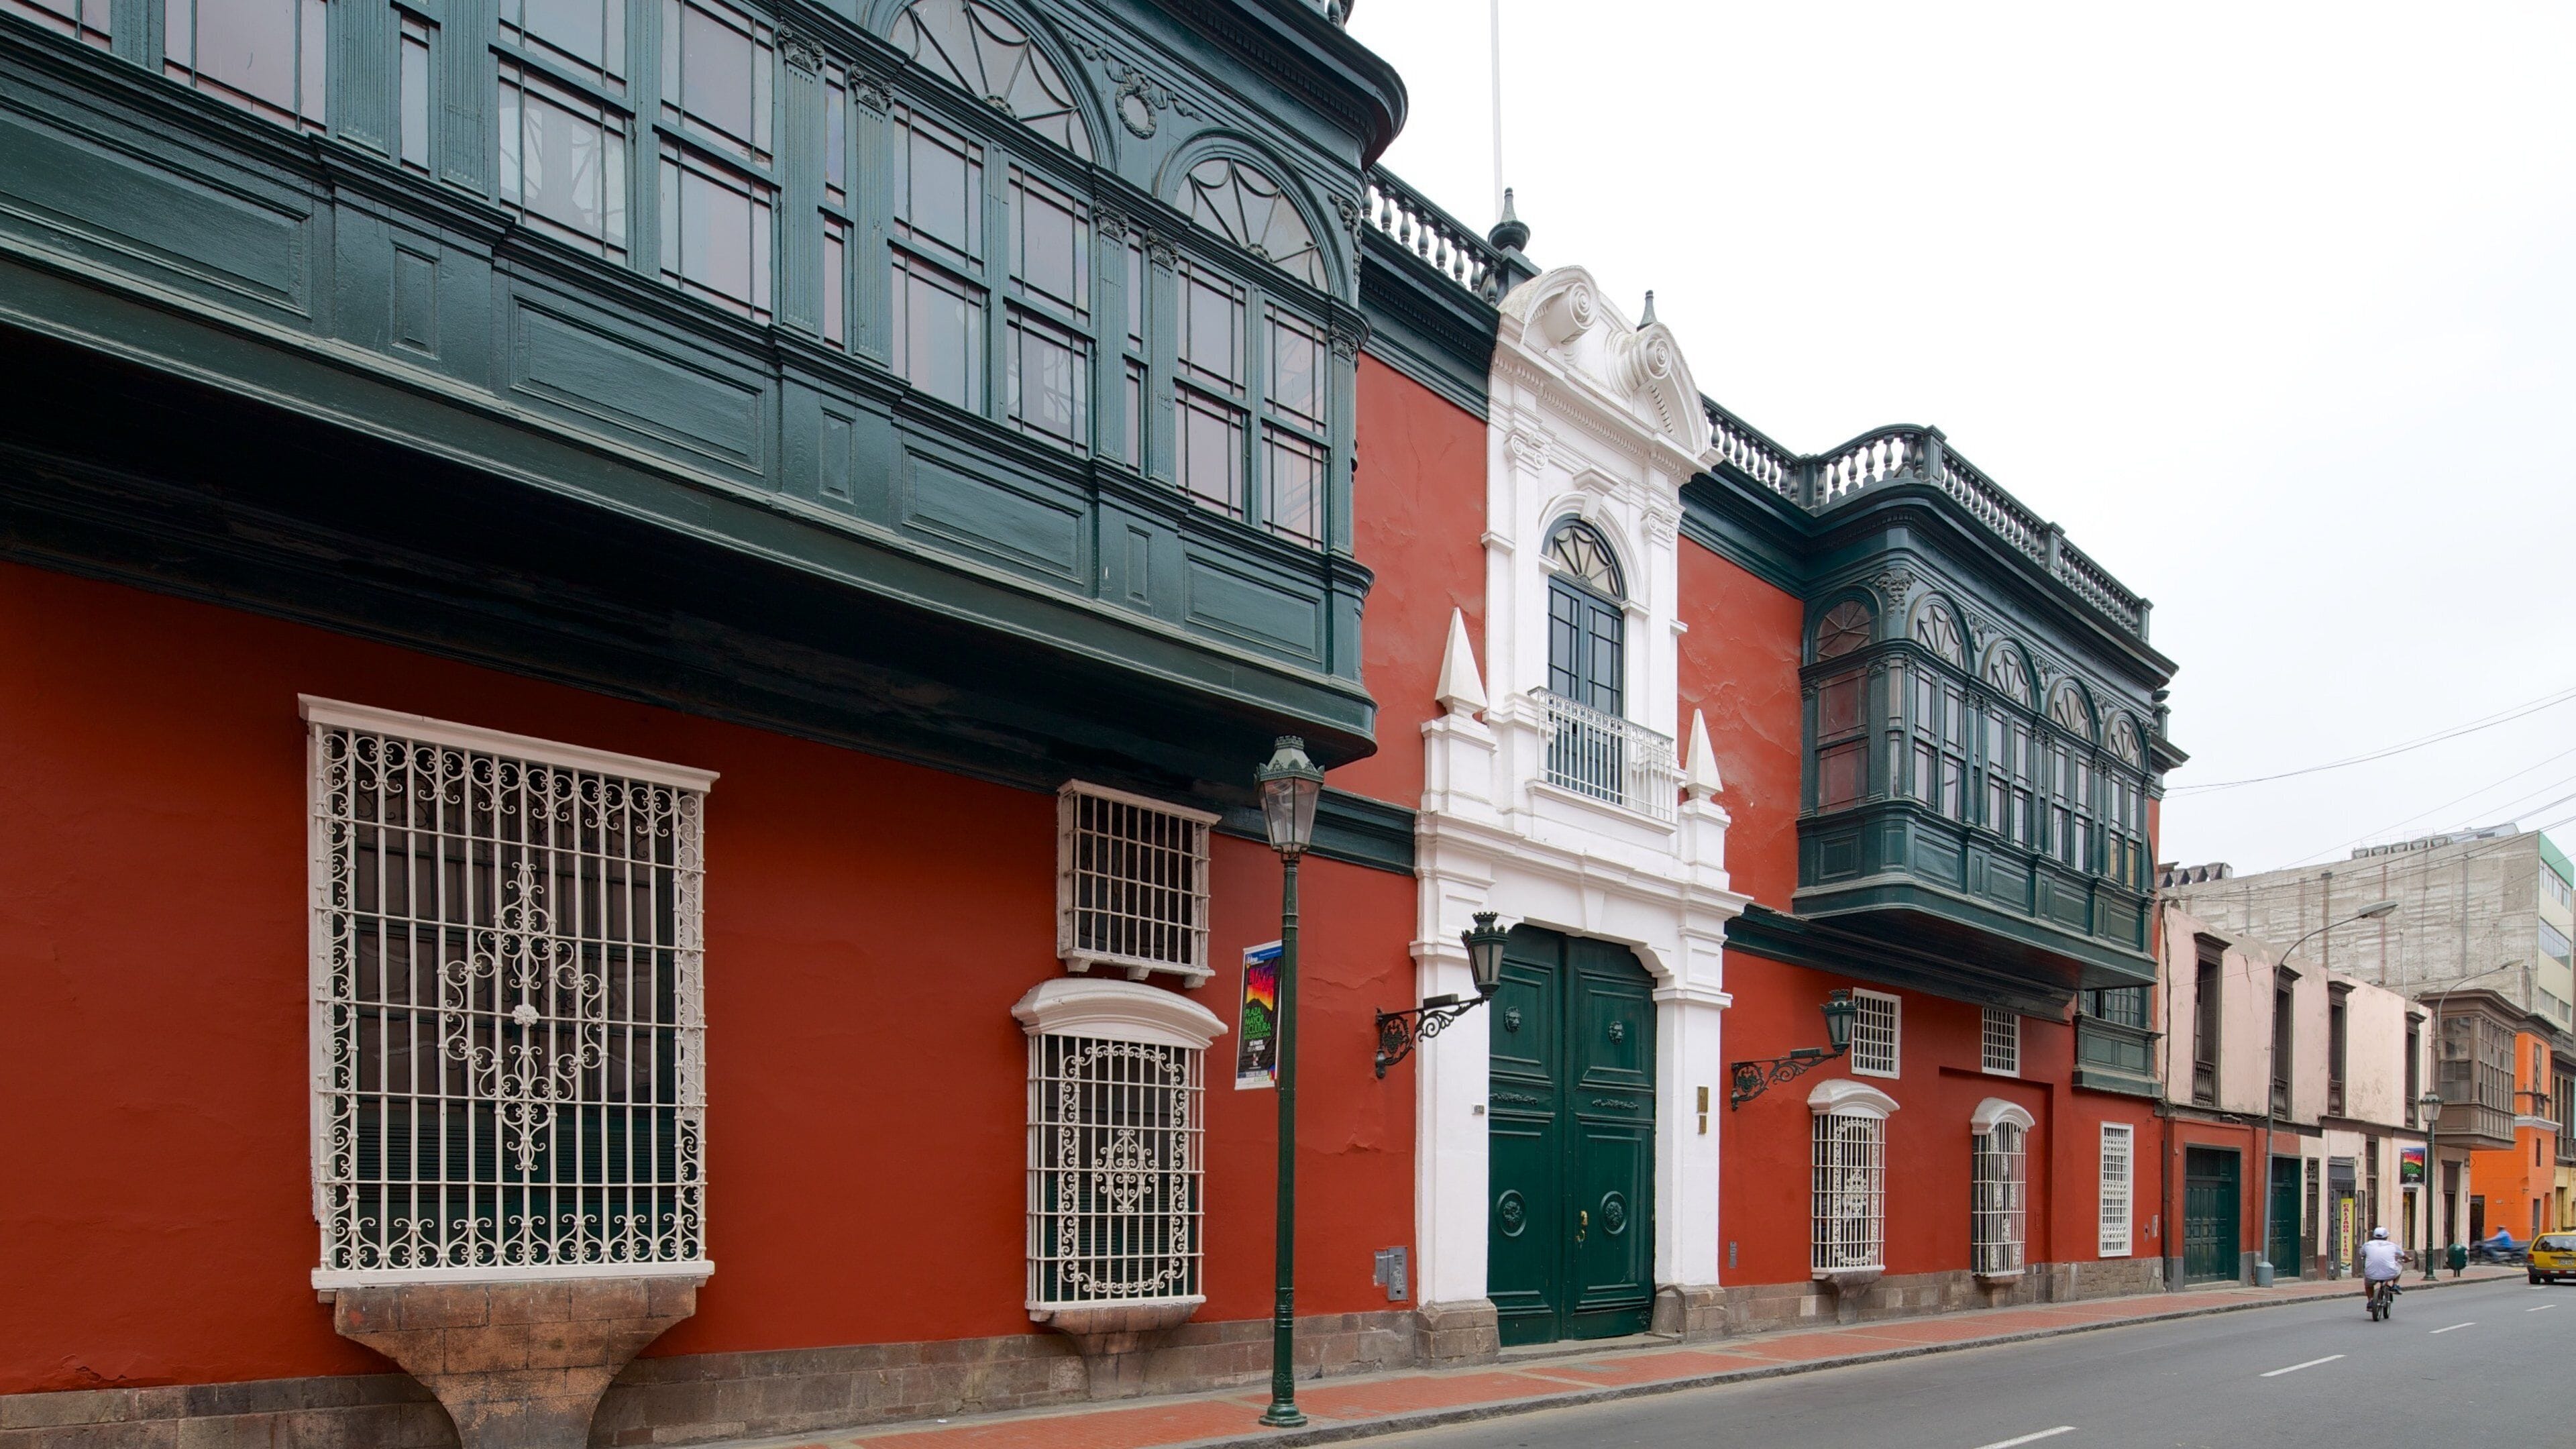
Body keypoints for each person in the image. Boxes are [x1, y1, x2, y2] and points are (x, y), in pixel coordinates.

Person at [2359, 1226, 2406, 1305]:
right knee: (2400, 1265)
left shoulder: (2367, 1245)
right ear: (2386, 1237)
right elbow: (2403, 1256)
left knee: (2368, 1285)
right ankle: (2395, 1285)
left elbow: (2362, 1254)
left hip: (2371, 1275)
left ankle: (2371, 1301)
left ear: (2373, 1236)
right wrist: (2408, 1259)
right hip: (2390, 1274)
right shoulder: (2392, 1245)